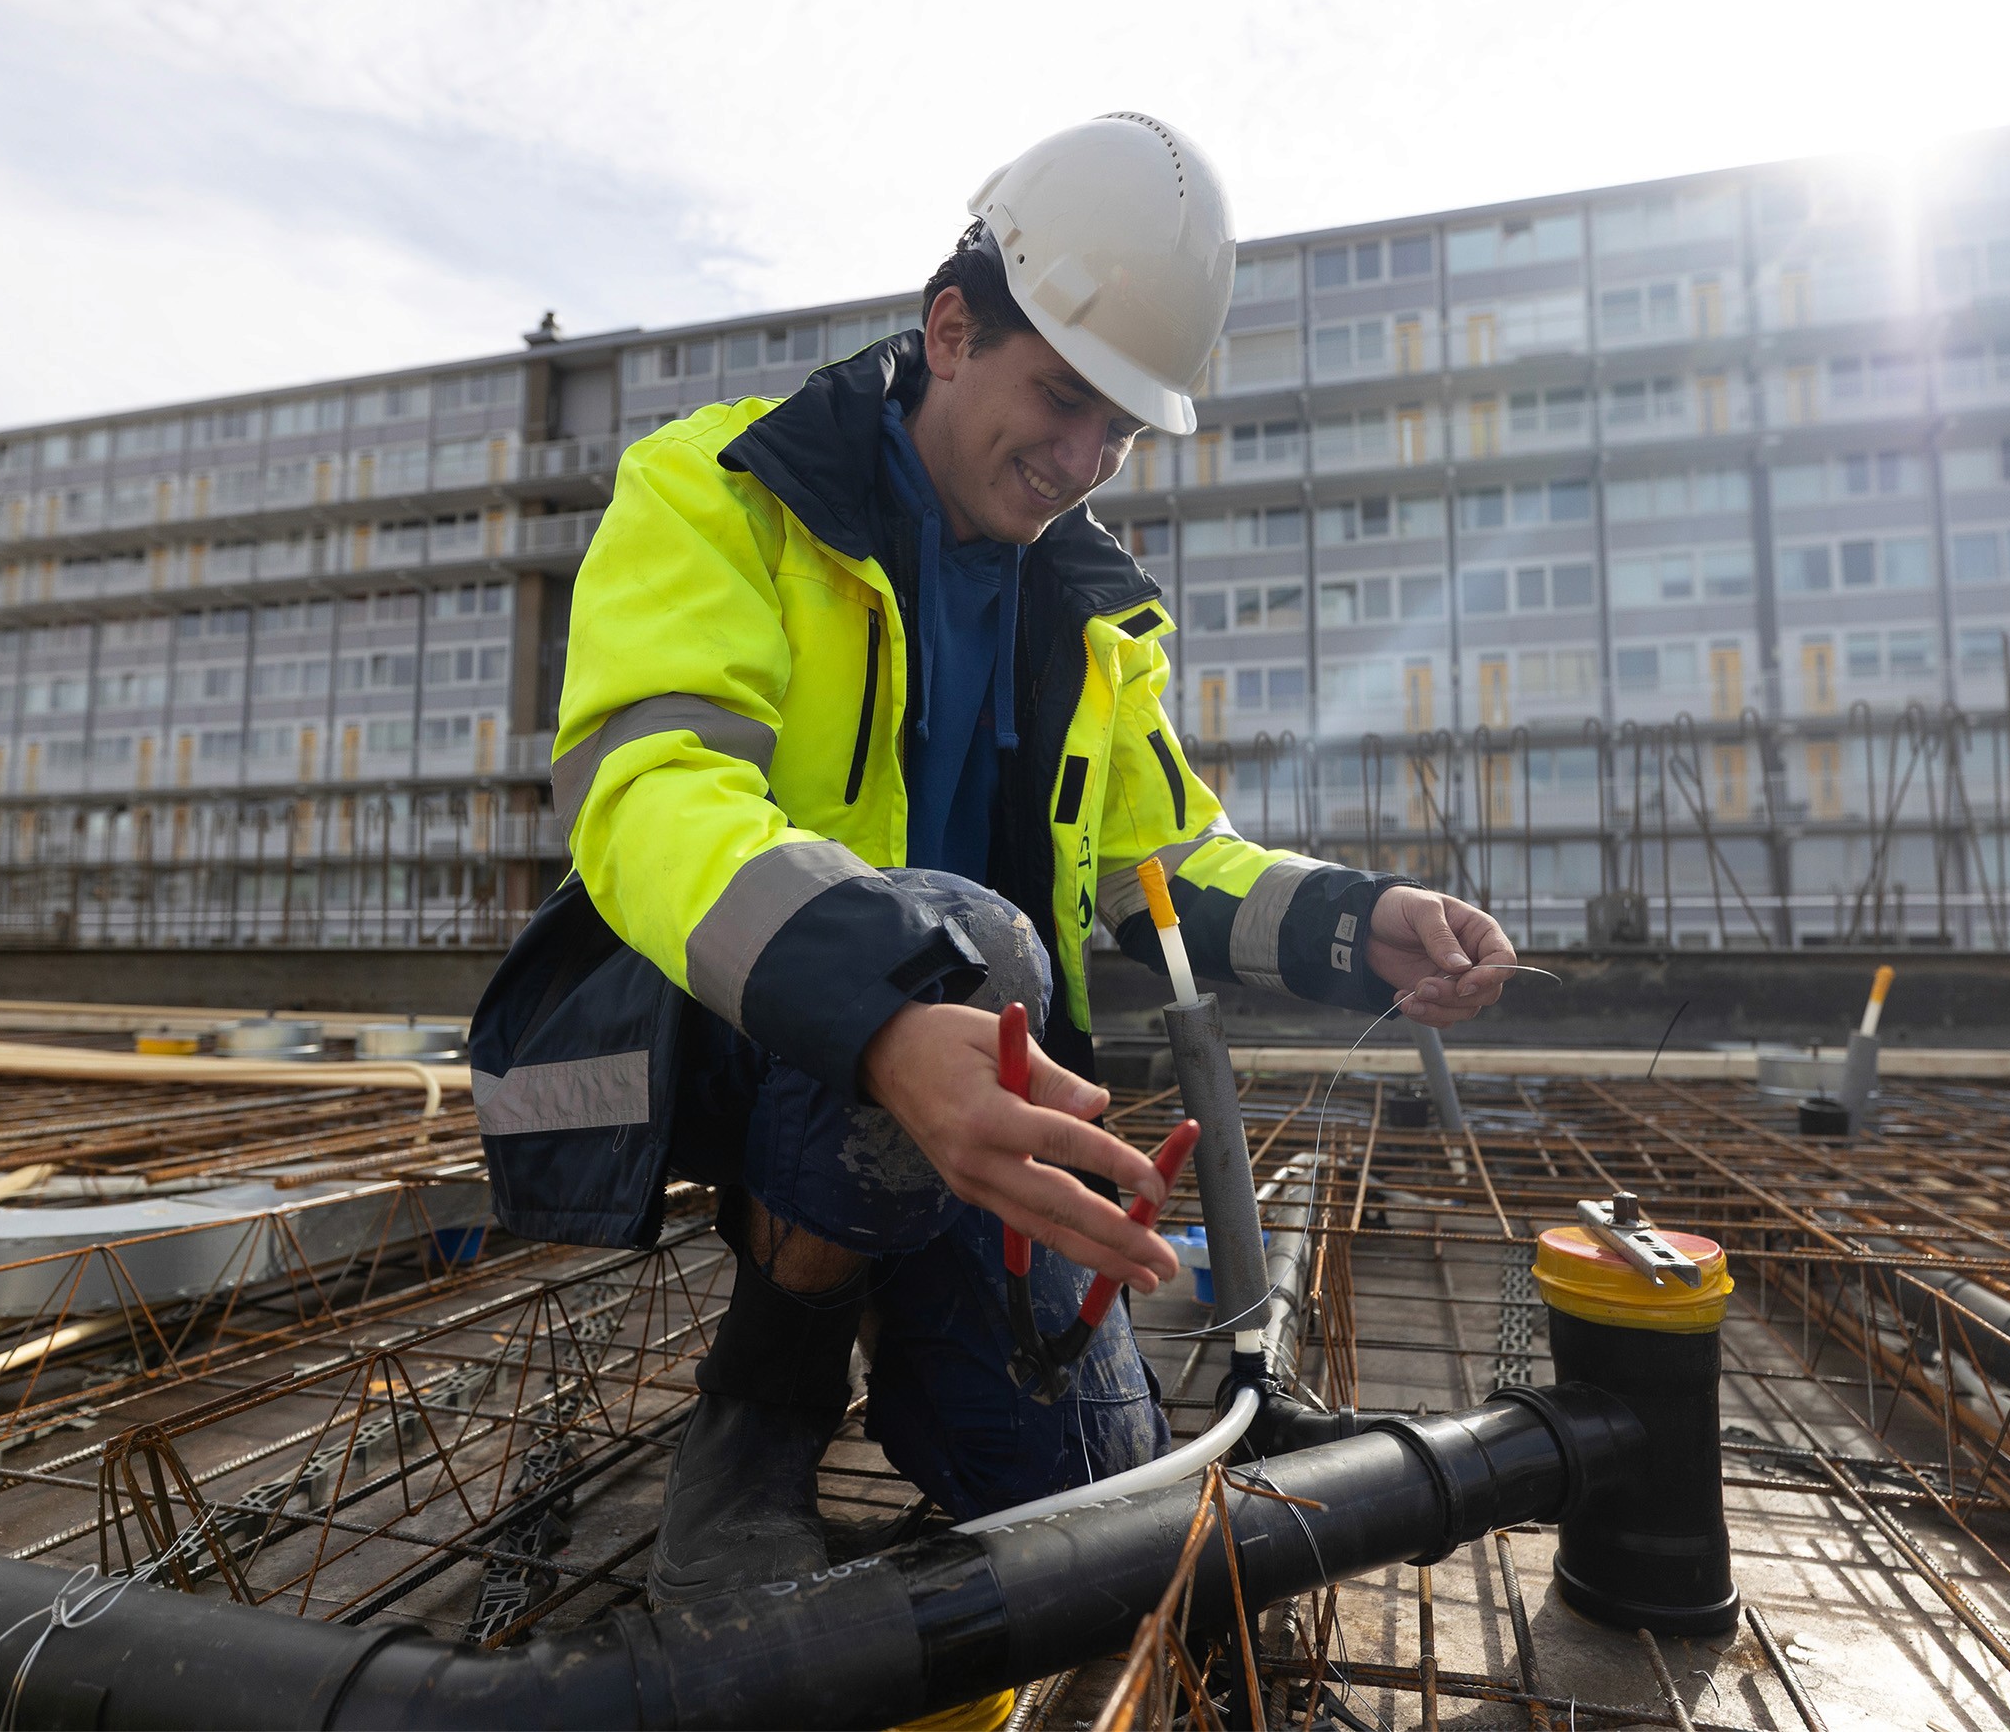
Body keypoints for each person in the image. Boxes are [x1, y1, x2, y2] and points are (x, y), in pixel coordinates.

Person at [468, 115, 1520, 1604]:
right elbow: (645, 796)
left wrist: (1365, 922)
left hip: (978, 1086)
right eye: (1060, 397)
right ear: (948, 329)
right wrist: (889, 1016)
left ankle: (916, 1310)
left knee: (1088, 1494)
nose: (1083, 457)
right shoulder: (725, 491)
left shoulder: (1089, 613)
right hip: (733, 1045)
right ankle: (759, 1410)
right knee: (970, 940)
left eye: (1119, 430)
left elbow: (1167, 868)